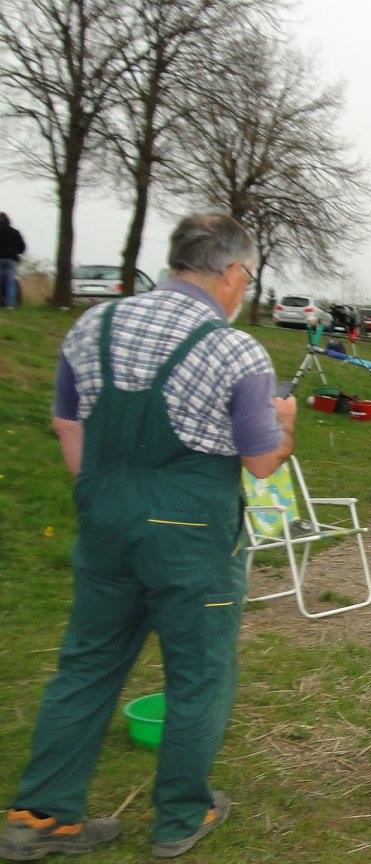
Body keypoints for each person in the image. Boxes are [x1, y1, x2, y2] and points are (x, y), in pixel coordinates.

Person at [3, 214, 296, 860]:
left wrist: (110, 497)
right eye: (246, 278)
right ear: (232, 273)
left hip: (106, 520)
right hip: (191, 534)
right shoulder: (235, 350)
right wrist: (286, 424)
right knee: (199, 672)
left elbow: (67, 426)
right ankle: (180, 816)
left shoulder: (93, 325)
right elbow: (260, 462)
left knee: (87, 663)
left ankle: (39, 814)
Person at [0, 212, 26, 310]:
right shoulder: (15, 232)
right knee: (10, 283)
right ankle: (9, 304)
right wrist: (14, 251)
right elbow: (22, 248)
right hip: (11, 260)